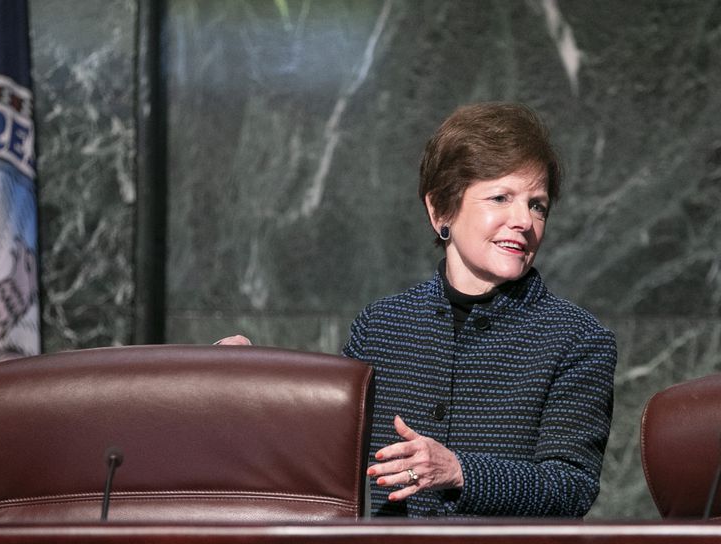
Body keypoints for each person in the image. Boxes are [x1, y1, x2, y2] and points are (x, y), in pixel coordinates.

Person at [218, 102, 616, 518]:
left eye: (538, 205)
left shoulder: (578, 340)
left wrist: (460, 472)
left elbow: (571, 485)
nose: (523, 220)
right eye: (501, 197)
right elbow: (328, 448)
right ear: (440, 211)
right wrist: (252, 380)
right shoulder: (382, 327)